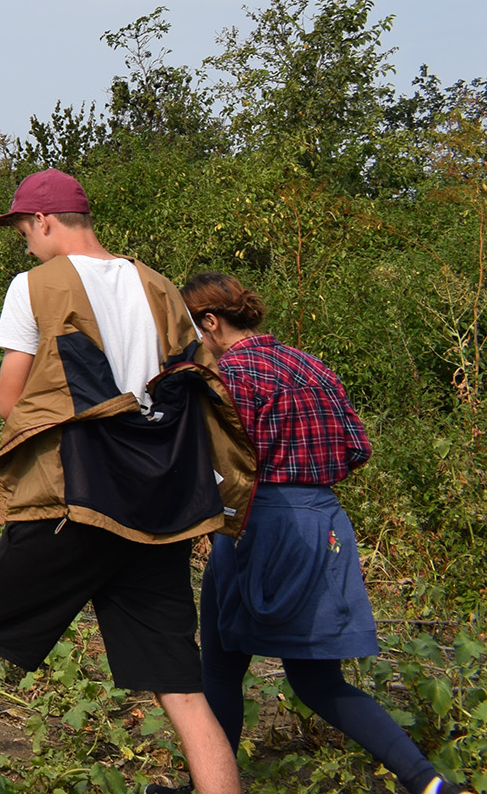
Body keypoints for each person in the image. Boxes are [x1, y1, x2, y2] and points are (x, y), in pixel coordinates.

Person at [0, 169, 250, 794]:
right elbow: (192, 388)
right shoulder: (163, 288)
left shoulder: (33, 287)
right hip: (159, 507)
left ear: (46, 221)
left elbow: (12, 401)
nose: (25, 242)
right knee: (181, 687)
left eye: (25, 228)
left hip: (74, 497)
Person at [183, 272, 468, 794]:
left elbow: (214, 459)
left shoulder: (229, 375)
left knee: (220, 668)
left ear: (210, 321)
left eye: (196, 328)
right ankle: (430, 784)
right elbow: (357, 448)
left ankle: (213, 787)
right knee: (316, 678)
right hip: (324, 523)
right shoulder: (309, 364)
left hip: (257, 523)